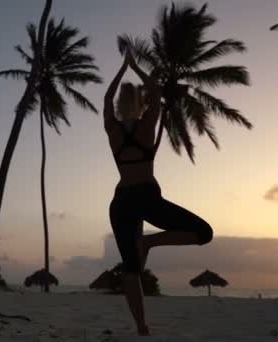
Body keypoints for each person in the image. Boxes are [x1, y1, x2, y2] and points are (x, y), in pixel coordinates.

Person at [103, 49, 214, 336]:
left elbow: (105, 99)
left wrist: (121, 69)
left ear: (117, 106)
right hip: (147, 199)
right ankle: (151, 243)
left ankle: (141, 327)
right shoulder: (147, 125)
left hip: (122, 202)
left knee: (130, 268)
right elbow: (153, 90)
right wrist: (135, 67)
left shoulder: (112, 129)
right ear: (141, 104)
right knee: (203, 233)